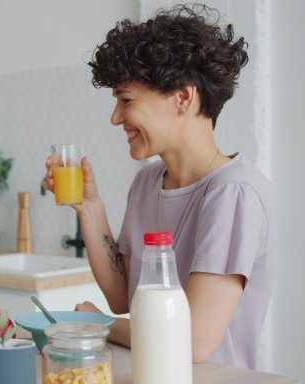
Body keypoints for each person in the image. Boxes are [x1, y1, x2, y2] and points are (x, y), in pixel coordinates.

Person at [42, 4, 272, 369]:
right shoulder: (147, 182)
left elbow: (192, 341)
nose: (116, 117)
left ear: (183, 97)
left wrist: (100, 326)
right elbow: (122, 296)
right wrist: (90, 207)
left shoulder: (234, 193)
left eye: (126, 100)